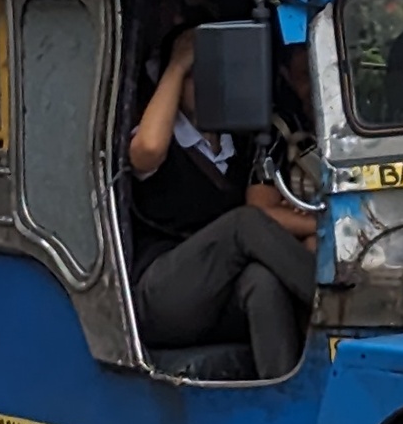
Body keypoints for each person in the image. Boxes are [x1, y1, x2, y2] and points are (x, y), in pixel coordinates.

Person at [127, 22, 315, 380]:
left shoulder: (239, 144)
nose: (206, 82)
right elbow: (147, 150)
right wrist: (178, 64)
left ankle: (283, 394)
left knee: (262, 282)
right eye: (194, 76)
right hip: (163, 293)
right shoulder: (164, 141)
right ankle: (337, 304)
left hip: (216, 295)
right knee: (244, 222)